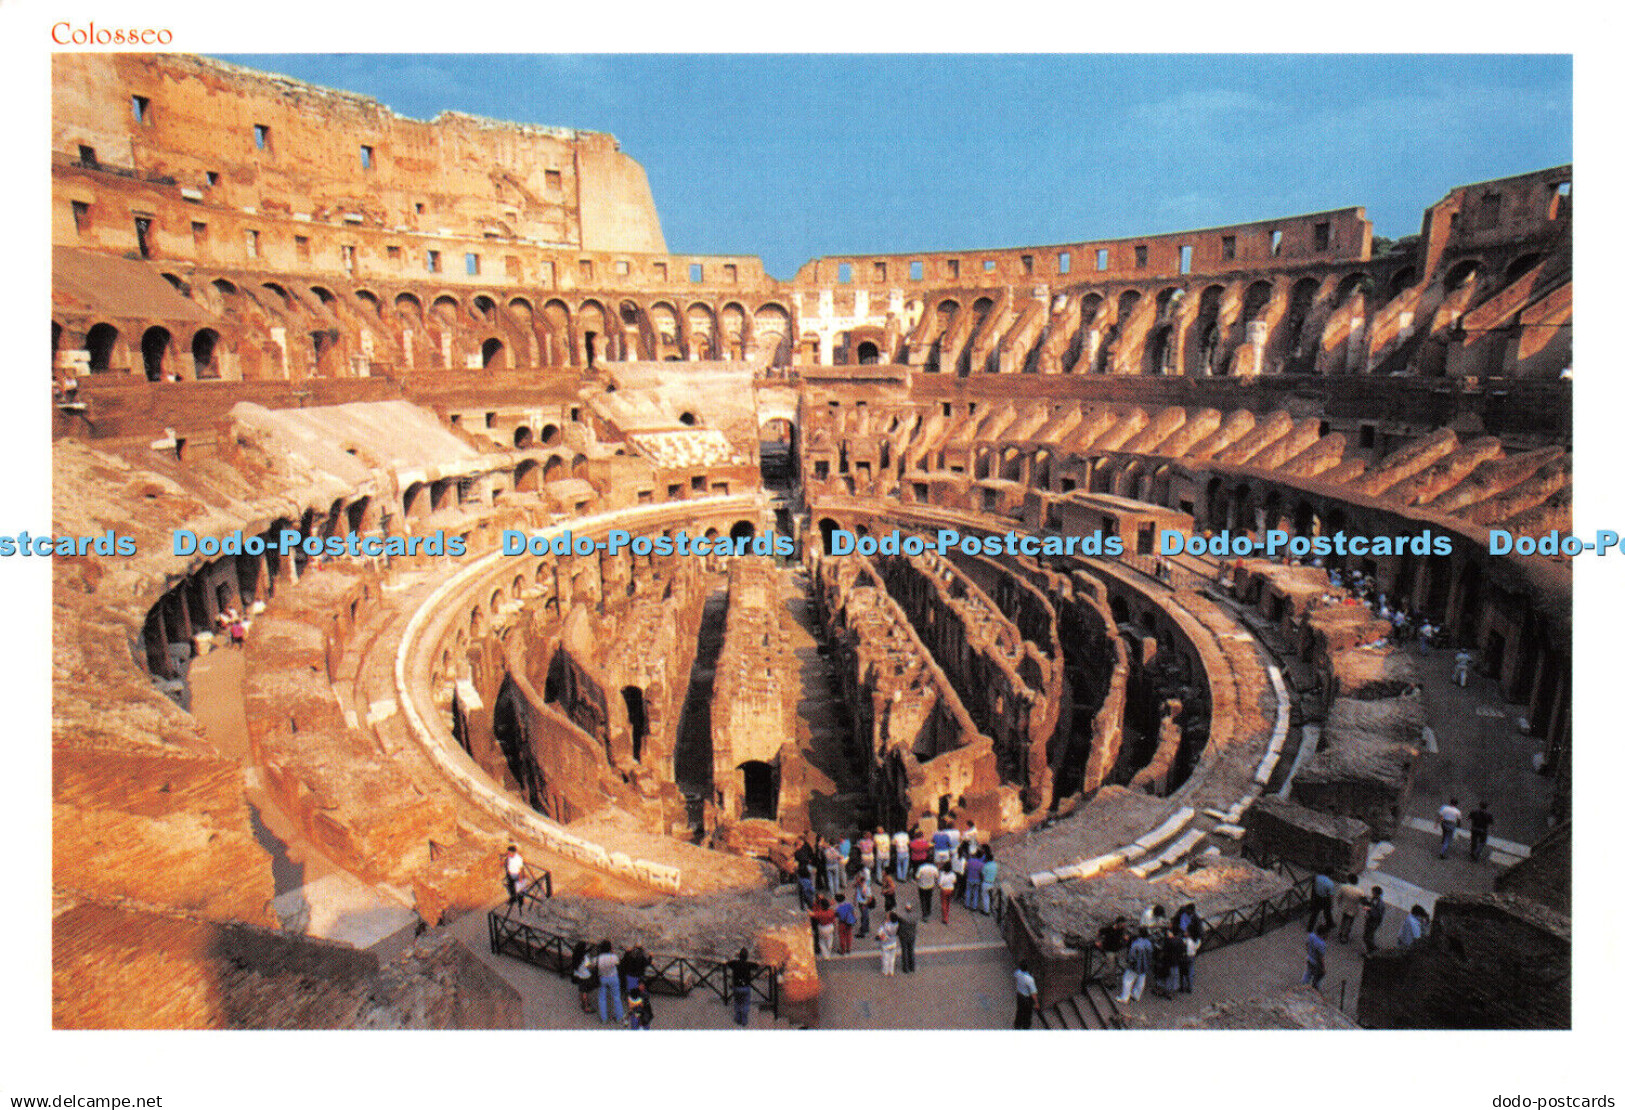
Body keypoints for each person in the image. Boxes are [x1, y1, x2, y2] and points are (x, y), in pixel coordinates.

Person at [1117, 929, 1154, 1004]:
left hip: (1135, 965)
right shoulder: (1148, 943)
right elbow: (1150, 954)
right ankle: (1136, 996)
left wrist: (1129, 961)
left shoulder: (1136, 944)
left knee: (1127, 980)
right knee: (1141, 981)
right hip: (1144, 965)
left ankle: (1124, 998)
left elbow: (1132, 955)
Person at [726, 947, 755, 1027]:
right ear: (747, 957)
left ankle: (738, 1019)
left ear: (739, 956)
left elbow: (728, 963)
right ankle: (744, 1020)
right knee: (745, 1003)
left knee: (737, 1003)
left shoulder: (734, 963)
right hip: (745, 987)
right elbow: (757, 966)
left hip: (737, 987)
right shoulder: (749, 964)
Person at [595, 939, 623, 1024]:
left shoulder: (598, 958)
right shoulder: (614, 957)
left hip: (603, 977)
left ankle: (604, 1019)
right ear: (610, 948)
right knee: (616, 997)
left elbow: (591, 964)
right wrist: (613, 952)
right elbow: (618, 963)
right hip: (613, 977)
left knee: (602, 998)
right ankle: (619, 1017)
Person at [1334, 874, 1365, 944]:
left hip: (1345, 907)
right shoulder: (1360, 892)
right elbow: (1362, 901)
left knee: (1344, 919)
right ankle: (1345, 936)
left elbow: (1339, 897)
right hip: (1353, 908)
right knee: (1350, 922)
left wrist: (1339, 904)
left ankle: (1341, 932)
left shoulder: (1344, 887)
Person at [571, 940, 597, 1014]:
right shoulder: (585, 958)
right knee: (585, 991)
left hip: (578, 974)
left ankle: (583, 1003)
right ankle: (586, 1007)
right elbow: (590, 966)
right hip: (585, 976)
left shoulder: (575, 955)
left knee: (581, 989)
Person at [1303, 923, 1330, 989]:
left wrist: (1309, 952)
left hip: (1310, 958)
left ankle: (1303, 985)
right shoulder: (1321, 944)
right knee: (1318, 976)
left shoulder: (1311, 936)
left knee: (1308, 973)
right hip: (1316, 963)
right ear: (1324, 933)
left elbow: (1307, 944)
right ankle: (1315, 988)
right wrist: (1323, 968)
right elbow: (1321, 957)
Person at [1361, 886, 1387, 954]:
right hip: (1372, 921)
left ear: (1375, 893)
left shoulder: (1379, 903)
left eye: (1373, 892)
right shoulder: (1375, 899)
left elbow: (1377, 913)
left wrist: (1369, 909)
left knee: (1367, 937)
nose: (1372, 893)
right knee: (1369, 936)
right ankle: (1372, 948)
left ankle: (1370, 951)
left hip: (1373, 922)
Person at [1013, 962, 1038, 1029]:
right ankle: (1025, 1026)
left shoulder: (1017, 973)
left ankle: (1017, 1025)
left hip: (1019, 995)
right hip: (1027, 997)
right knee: (1027, 1013)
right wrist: (1036, 1003)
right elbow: (1033, 992)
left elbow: (1015, 975)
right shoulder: (1029, 979)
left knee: (1019, 1010)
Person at [502, 845, 525, 913]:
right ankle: (513, 899)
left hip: (517, 874)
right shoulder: (509, 857)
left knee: (519, 889)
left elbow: (521, 869)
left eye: (509, 852)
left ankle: (521, 903)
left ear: (513, 852)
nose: (508, 853)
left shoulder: (518, 859)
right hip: (510, 874)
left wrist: (520, 878)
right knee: (511, 887)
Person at [851, 870, 874, 937]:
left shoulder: (866, 888)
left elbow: (870, 898)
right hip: (860, 903)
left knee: (864, 917)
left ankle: (863, 932)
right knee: (865, 916)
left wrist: (865, 905)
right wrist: (854, 900)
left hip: (864, 904)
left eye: (857, 879)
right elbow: (855, 890)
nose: (856, 880)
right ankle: (866, 928)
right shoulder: (859, 885)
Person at [978, 850, 999, 916]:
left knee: (985, 897)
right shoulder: (995, 865)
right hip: (992, 883)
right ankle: (991, 908)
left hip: (986, 882)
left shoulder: (986, 866)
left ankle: (986, 911)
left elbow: (982, 874)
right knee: (990, 897)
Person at [936, 860, 957, 925]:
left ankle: (945, 918)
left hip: (944, 890)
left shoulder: (942, 874)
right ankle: (947, 914)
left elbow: (940, 884)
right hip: (951, 889)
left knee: (943, 904)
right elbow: (954, 881)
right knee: (948, 903)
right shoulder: (953, 874)